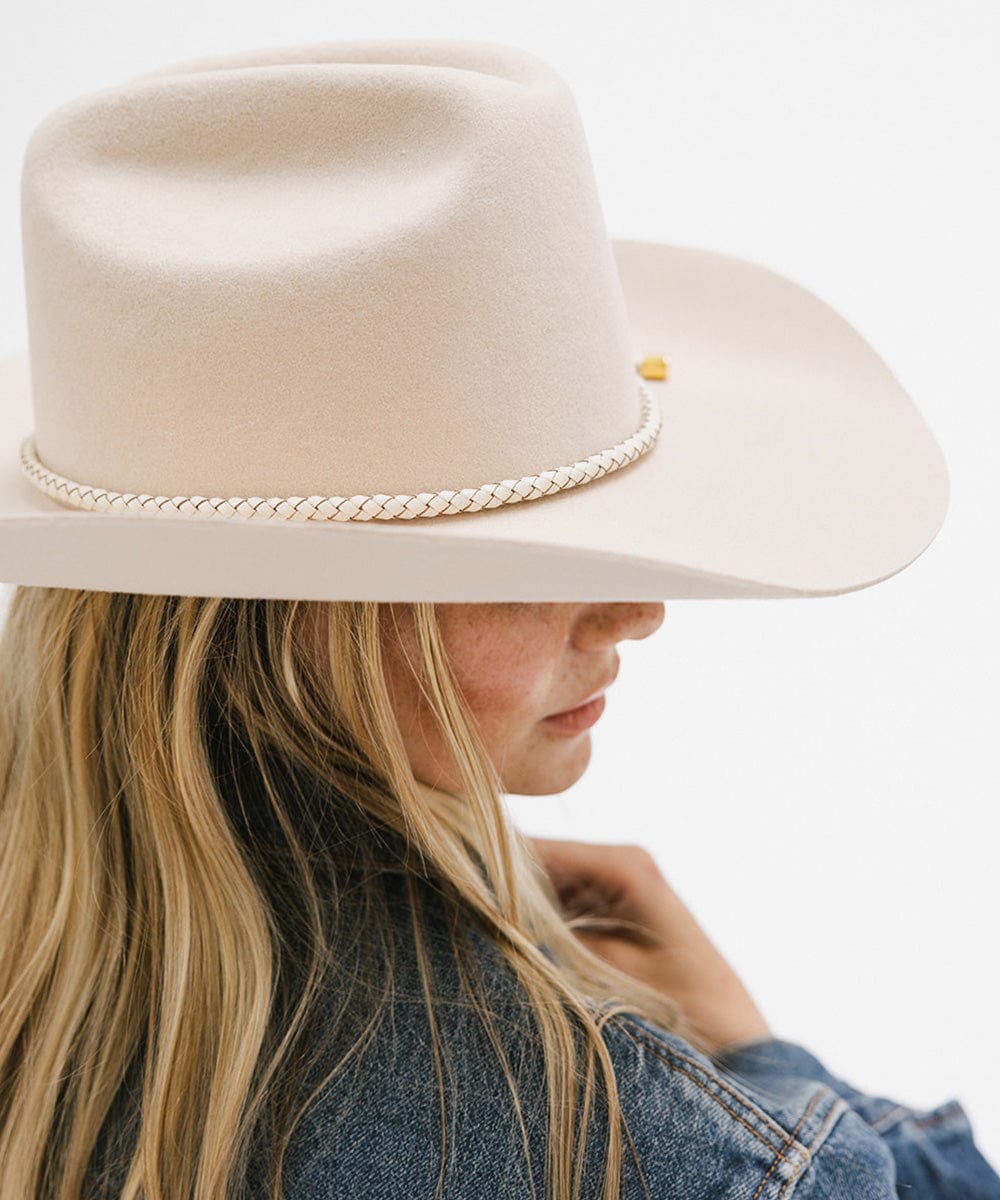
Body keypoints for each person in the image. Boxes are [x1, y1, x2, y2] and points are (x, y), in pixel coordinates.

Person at [0, 37, 996, 1200]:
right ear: (279, 630)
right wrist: (754, 1064)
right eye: (526, 556)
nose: (639, 612)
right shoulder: (632, 1145)